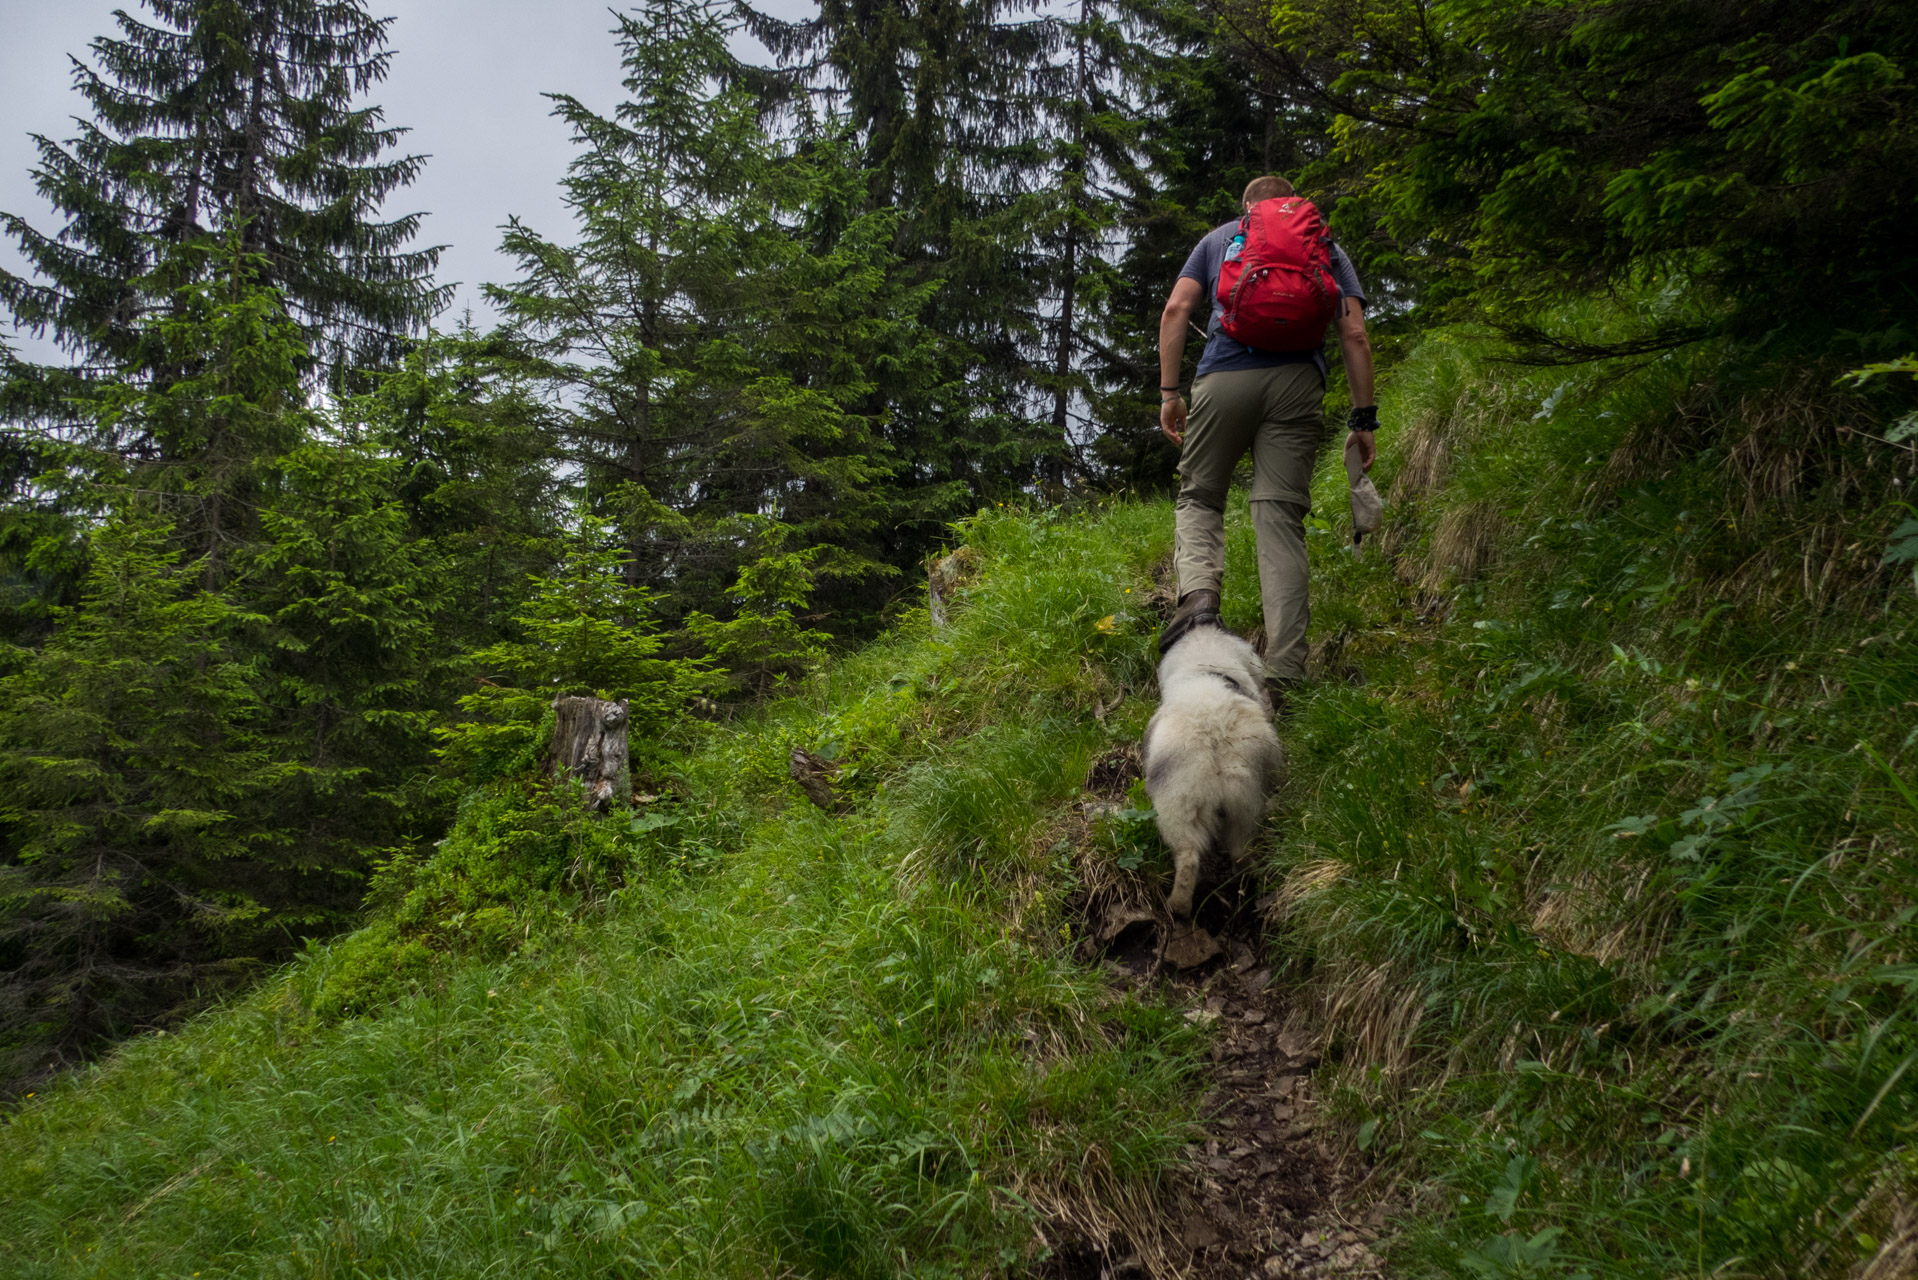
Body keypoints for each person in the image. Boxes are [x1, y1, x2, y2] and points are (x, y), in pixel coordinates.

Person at [1156, 173, 1378, 700]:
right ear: (1294, 206)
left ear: (1248, 208)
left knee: (1201, 496)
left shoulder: (1219, 240)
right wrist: (1363, 420)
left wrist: (1170, 393)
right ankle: (1285, 674)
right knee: (1279, 516)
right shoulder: (1327, 248)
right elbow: (1354, 334)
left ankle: (1202, 604)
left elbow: (1176, 310)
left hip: (1226, 377)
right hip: (1299, 384)